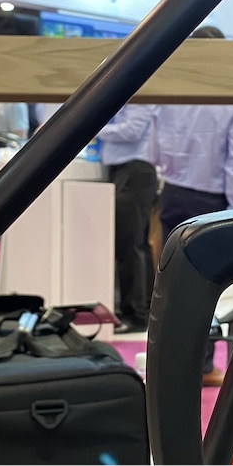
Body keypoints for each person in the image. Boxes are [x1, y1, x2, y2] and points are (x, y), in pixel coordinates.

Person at [153, 26, 233, 385]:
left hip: (173, 193)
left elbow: (156, 148)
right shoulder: (231, 97)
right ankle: (203, 365)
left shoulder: (173, 92)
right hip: (212, 200)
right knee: (209, 287)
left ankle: (165, 362)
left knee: (169, 282)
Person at [99, 105, 158, 333]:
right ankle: (143, 310)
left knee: (129, 245)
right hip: (128, 171)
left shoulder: (139, 99)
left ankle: (135, 314)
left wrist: (96, 128)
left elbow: (131, 130)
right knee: (136, 245)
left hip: (134, 171)